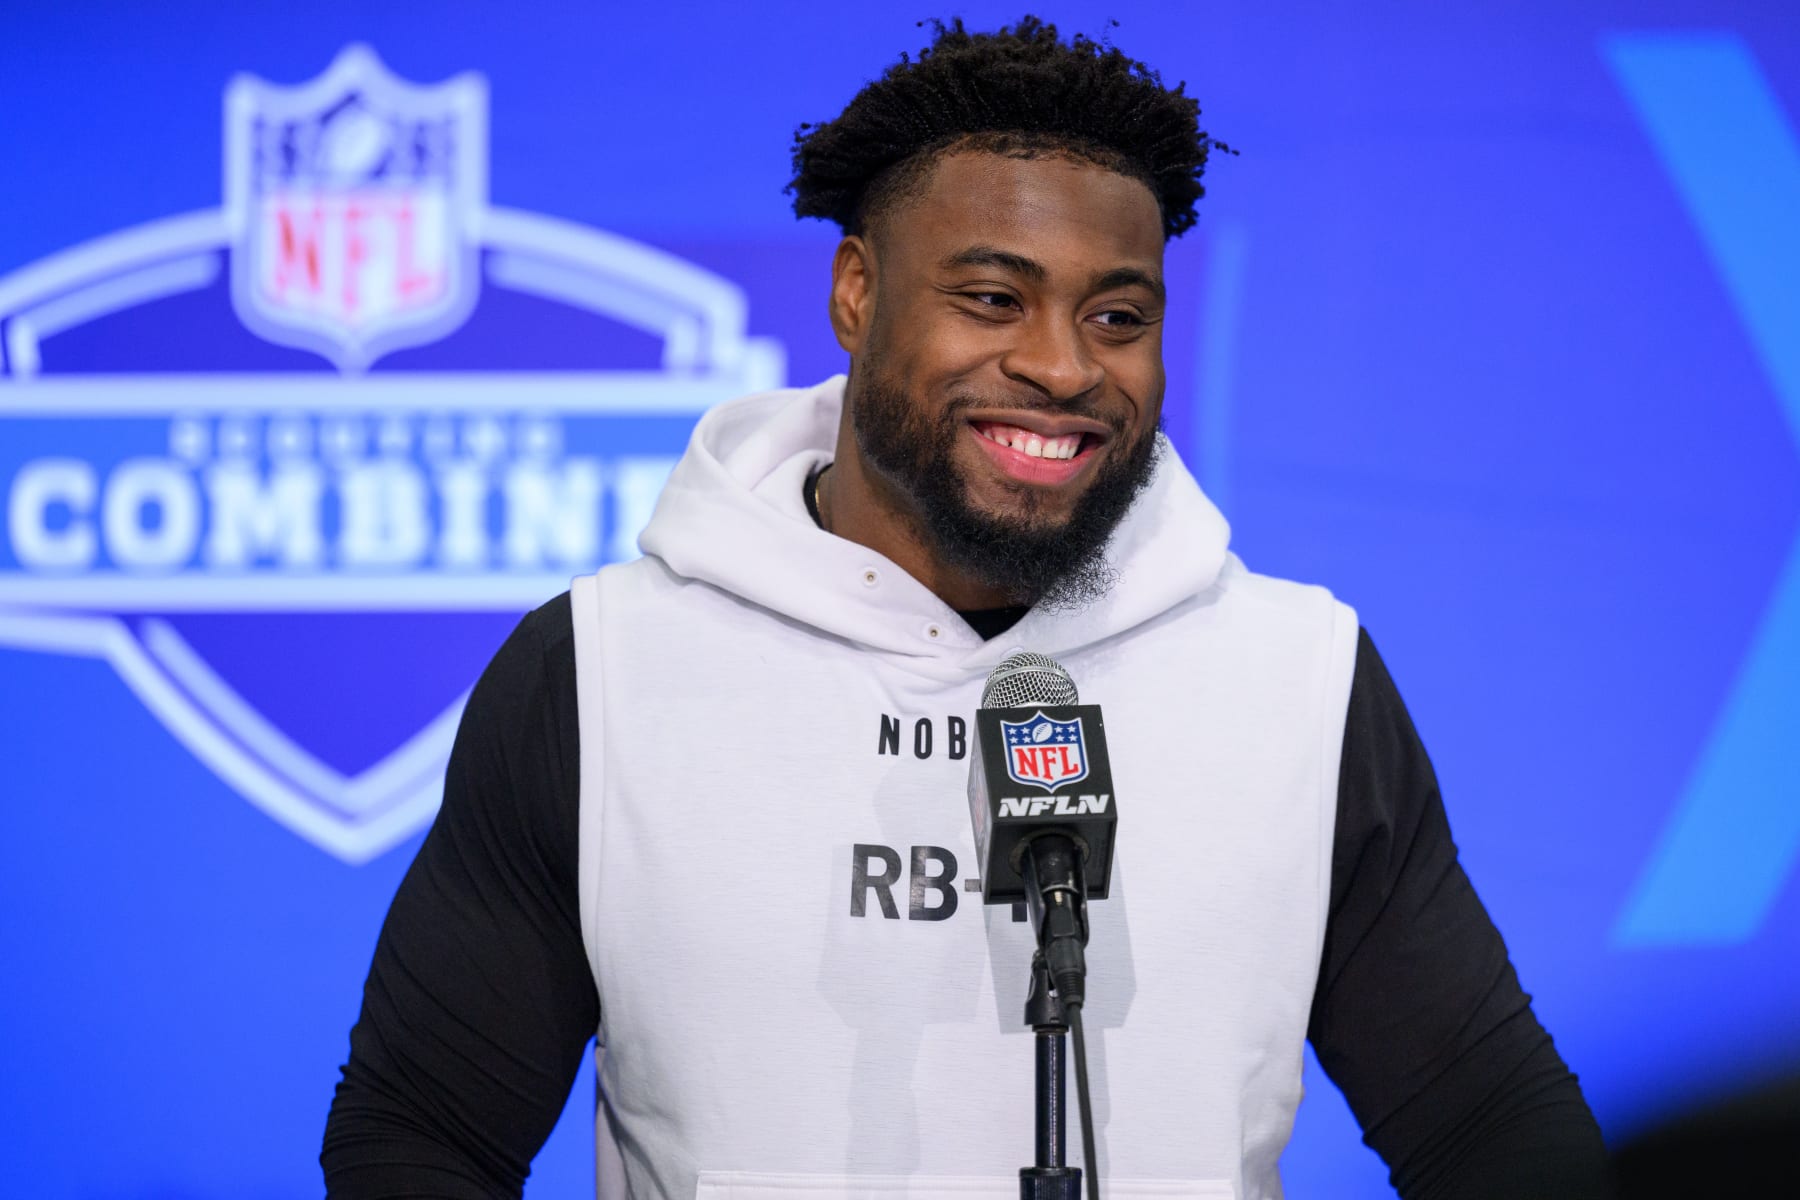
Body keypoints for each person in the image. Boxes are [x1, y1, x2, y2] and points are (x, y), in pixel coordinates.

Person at [322, 17, 1611, 1199]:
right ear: (856, 295)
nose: (1061, 365)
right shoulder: (606, 668)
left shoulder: (1296, 674)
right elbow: (422, 1130)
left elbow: (1490, 1124)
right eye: (993, 298)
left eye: (1118, 315)